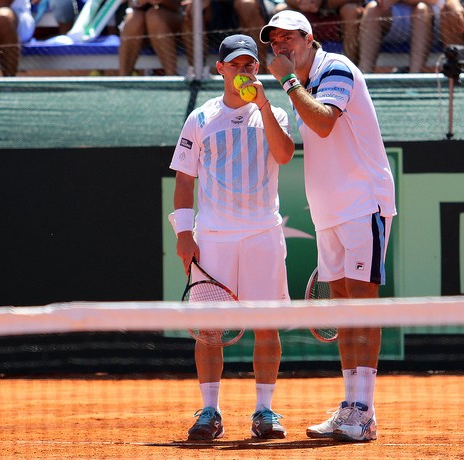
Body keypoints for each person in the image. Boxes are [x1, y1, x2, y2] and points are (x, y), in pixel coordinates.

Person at [260, 10, 396, 442]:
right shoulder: (301, 81)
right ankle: (352, 407)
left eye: (288, 40)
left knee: (361, 304)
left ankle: (364, 410)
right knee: (341, 307)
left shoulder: (335, 68)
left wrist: (287, 83)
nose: (280, 48)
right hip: (328, 212)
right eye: (274, 42)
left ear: (308, 37)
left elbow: (322, 122)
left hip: (363, 204)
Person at [169, 34, 294, 440]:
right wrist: (184, 233)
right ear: (220, 69)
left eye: (250, 64)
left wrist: (262, 105)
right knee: (209, 330)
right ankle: (209, 411)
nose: (244, 70)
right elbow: (185, 180)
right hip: (214, 239)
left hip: (262, 234)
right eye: (236, 64)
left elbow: (286, 154)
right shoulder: (201, 118)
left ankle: (265, 412)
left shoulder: (274, 112)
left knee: (266, 328)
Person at [181, 0, 282, 74]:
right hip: (215, 7)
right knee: (194, 9)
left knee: (247, 5)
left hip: (252, 5)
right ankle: (198, 74)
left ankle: (259, 71)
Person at [358, 0, 442, 73]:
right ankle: (365, 75)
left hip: (432, 21)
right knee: (372, 9)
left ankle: (414, 77)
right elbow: (383, 4)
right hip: (395, 17)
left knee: (421, 9)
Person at [118, 0, 183, 75]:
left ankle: (172, 77)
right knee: (134, 20)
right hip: (141, 28)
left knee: (154, 16)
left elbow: (179, 6)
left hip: (172, 21)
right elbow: (132, 4)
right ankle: (124, 78)